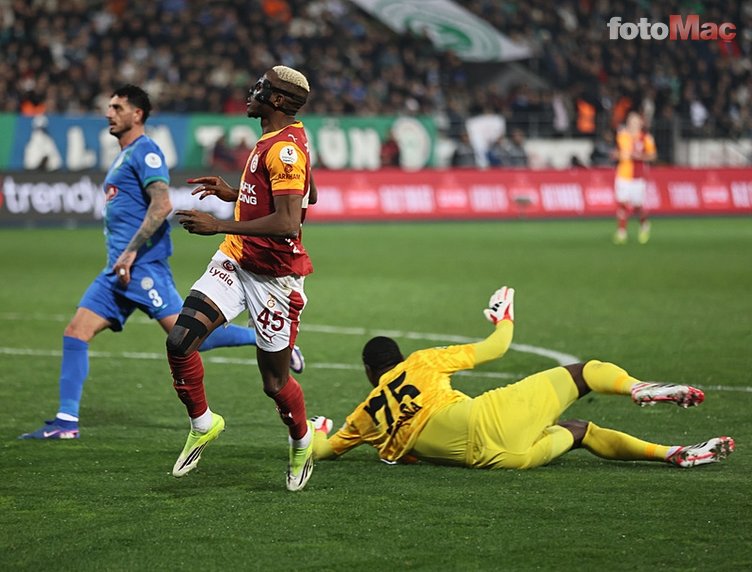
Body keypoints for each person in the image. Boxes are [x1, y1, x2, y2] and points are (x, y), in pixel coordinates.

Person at [18, 85, 303, 441]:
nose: (109, 113)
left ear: (137, 114)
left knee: (189, 337)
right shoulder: (124, 154)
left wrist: (131, 251)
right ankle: (66, 421)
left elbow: (162, 204)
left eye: (117, 107)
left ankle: (264, 340)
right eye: (109, 107)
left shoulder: (146, 152)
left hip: (142, 267)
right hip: (116, 271)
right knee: (75, 332)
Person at [311, 286, 735, 470]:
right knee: (584, 373)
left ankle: (674, 453)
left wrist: (316, 429)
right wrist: (504, 317)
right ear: (399, 358)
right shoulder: (421, 362)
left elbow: (323, 451)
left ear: (369, 373)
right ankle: (636, 387)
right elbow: (497, 347)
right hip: (487, 419)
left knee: (580, 430)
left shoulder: (365, 416)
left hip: (499, 461)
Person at [166, 66, 318, 491]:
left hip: (275, 279)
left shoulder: (285, 150)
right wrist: (236, 193)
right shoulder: (279, 138)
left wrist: (218, 223)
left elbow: (288, 222)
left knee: (274, 383)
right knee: (180, 341)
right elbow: (309, 195)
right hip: (236, 259)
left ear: (277, 100)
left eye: (262, 87)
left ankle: (302, 441)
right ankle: (203, 423)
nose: (253, 91)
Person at [613, 111, 657, 245]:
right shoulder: (622, 136)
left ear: (640, 123)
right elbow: (615, 153)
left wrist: (639, 156)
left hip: (638, 177)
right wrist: (619, 155)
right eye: (631, 121)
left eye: (635, 121)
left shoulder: (646, 138)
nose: (633, 124)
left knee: (637, 206)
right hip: (623, 174)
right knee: (622, 204)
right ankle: (622, 232)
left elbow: (653, 156)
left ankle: (644, 224)